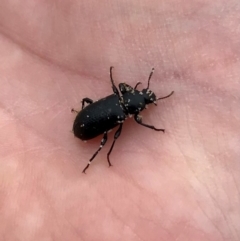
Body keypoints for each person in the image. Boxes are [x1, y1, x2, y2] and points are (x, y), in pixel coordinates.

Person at [0, 1, 239, 240]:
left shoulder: (122, 100)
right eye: (145, 97)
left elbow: (122, 93)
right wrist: (153, 127)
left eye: (144, 98)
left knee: (104, 128)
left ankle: (95, 145)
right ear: (136, 103)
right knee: (106, 142)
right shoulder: (125, 111)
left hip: (90, 120)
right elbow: (139, 120)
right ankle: (96, 158)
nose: (145, 98)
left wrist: (124, 90)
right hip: (87, 125)